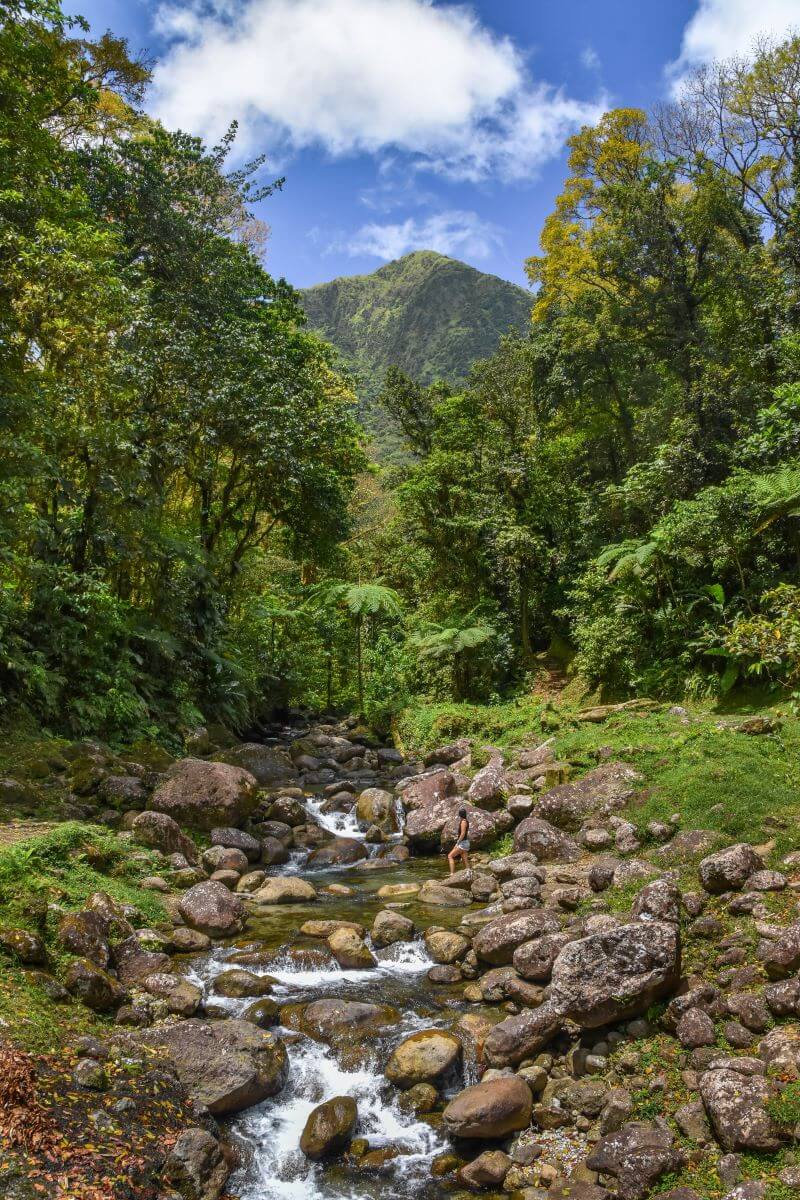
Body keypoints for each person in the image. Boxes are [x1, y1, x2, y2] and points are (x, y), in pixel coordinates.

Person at [447, 806, 470, 874]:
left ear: (460, 815)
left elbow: (462, 834)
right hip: (465, 843)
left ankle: (452, 874)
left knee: (450, 856)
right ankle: (469, 873)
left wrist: (457, 843)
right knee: (465, 860)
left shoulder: (463, 822)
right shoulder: (466, 821)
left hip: (463, 843)